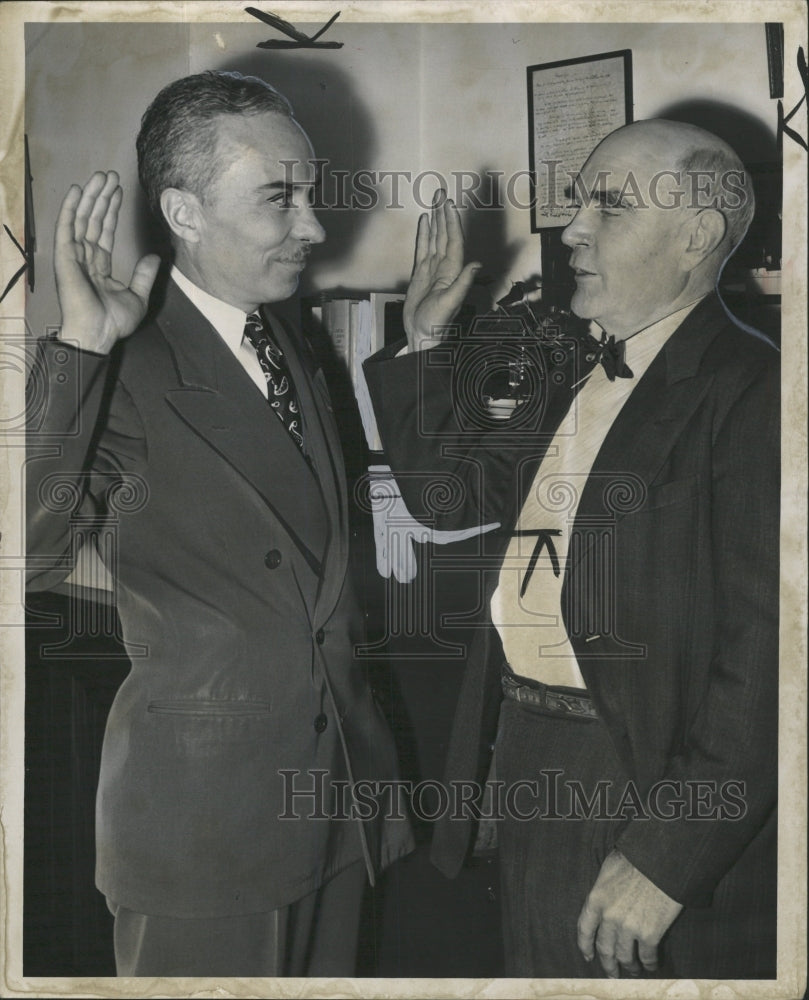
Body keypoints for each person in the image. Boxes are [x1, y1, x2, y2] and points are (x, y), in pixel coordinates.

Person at [364, 118, 779, 979]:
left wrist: (671, 851)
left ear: (696, 236)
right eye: (578, 202)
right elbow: (446, 498)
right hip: (526, 750)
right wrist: (429, 340)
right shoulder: (572, 364)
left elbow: (773, 654)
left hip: (642, 772)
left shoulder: (757, 390)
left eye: (610, 206)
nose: (574, 229)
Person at [25, 70, 413, 977]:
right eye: (279, 199)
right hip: (207, 823)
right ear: (184, 213)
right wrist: (81, 343)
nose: (313, 227)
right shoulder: (113, 360)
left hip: (337, 799)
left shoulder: (288, 336)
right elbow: (23, 555)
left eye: (309, 194)